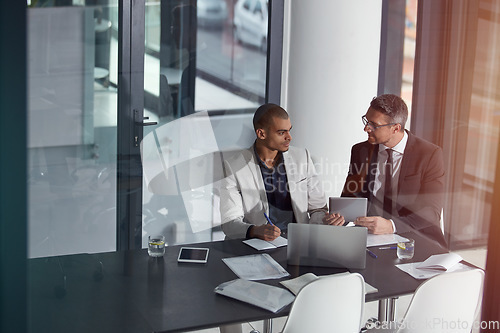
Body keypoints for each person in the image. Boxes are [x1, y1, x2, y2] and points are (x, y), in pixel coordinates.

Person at [220, 103, 344, 241]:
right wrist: (255, 231)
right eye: (281, 132)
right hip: (257, 245)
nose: (289, 137)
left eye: (289, 130)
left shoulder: (302, 157)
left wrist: (326, 221)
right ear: (261, 133)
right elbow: (229, 223)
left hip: (298, 242)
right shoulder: (234, 166)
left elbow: (317, 209)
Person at [341, 94, 446, 246]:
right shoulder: (360, 150)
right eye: (366, 120)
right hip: (370, 238)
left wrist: (391, 226)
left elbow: (432, 212)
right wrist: (340, 215)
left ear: (395, 128)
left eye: (373, 125)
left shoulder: (429, 155)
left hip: (414, 238)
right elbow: (350, 195)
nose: (366, 128)